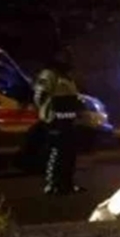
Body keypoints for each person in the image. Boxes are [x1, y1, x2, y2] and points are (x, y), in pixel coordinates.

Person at [33, 53, 84, 194]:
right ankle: (52, 185)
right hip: (55, 120)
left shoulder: (67, 77)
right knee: (56, 152)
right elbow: (39, 96)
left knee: (69, 153)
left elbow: (72, 97)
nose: (68, 59)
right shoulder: (48, 74)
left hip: (69, 119)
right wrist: (47, 113)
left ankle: (67, 183)